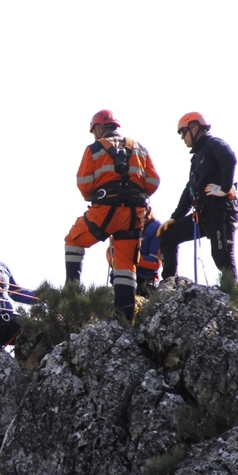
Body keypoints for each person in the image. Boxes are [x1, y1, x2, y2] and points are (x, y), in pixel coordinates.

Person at [63, 109, 161, 321]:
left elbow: (84, 185)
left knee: (73, 241)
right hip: (135, 213)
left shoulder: (94, 149)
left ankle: (70, 295)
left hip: (106, 210)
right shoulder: (140, 149)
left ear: (98, 129)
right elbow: (153, 182)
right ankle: (124, 317)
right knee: (126, 265)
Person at [157, 112, 238, 290]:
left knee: (222, 255)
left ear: (194, 128)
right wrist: (175, 217)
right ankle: (169, 284)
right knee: (168, 235)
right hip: (204, 214)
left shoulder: (213, 144)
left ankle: (234, 296)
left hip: (220, 212)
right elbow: (190, 189)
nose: (182, 138)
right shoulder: (197, 157)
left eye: (183, 132)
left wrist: (224, 188)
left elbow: (229, 158)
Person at [109, 206, 162, 297]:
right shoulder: (123, 223)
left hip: (143, 279)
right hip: (119, 275)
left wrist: (134, 259)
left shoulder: (155, 228)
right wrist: (113, 259)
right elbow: (111, 252)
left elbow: (156, 262)